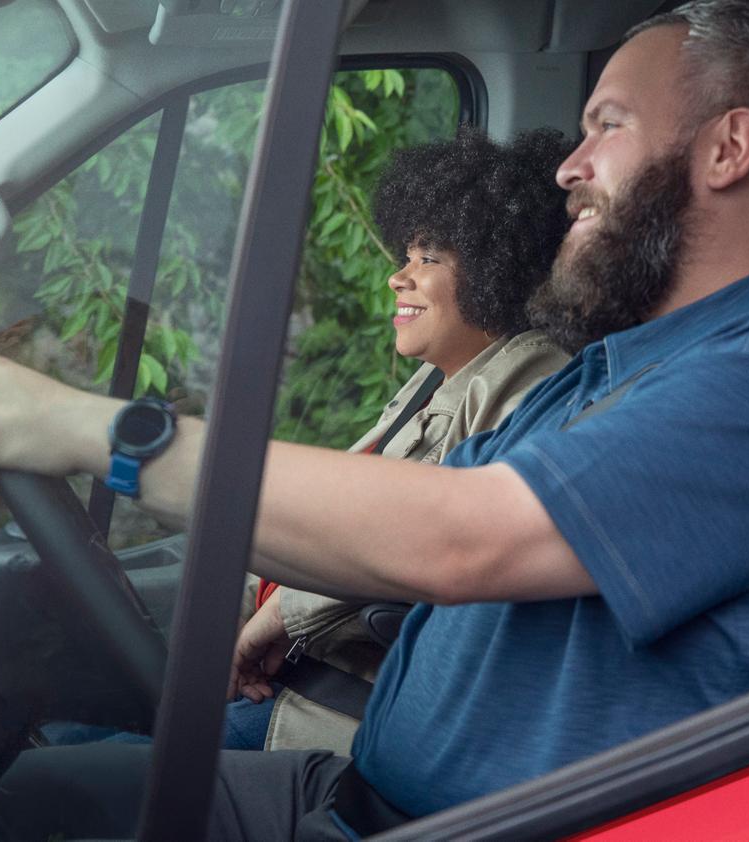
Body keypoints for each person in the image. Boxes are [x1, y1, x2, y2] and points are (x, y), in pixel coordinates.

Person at [0, 1, 749, 837]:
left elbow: (465, 536)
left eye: (606, 125)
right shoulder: (615, 368)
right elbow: (432, 506)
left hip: (460, 821)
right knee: (5, 794)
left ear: (727, 148)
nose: (569, 166)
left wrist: (102, 434)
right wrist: (285, 609)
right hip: (362, 791)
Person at [223, 128, 574, 754]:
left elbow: (427, 530)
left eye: (428, 259)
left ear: (501, 266)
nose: (398, 278)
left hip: (340, 714)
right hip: (296, 684)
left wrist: (271, 620)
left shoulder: (529, 375)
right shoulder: (435, 379)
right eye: (406, 255)